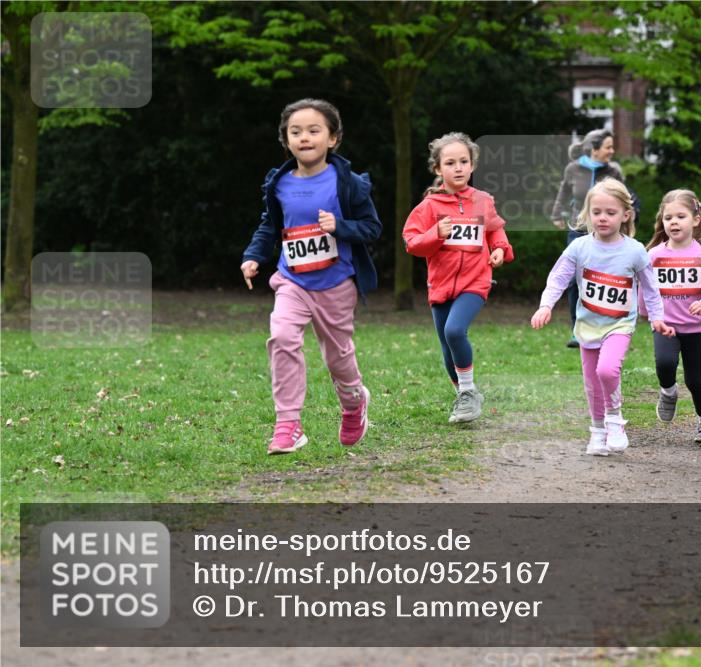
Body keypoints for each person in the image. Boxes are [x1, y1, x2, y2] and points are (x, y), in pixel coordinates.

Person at [241, 98, 381, 455]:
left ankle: (353, 404)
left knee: (337, 358)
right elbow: (269, 226)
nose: (304, 137)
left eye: (314, 130)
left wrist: (341, 227)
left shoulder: (348, 183)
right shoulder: (279, 183)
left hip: (336, 284)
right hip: (293, 281)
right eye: (296, 131)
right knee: (282, 336)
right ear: (286, 140)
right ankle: (288, 425)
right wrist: (254, 257)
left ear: (333, 138)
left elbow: (372, 228)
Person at [532, 178, 673, 456]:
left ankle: (615, 419)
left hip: (619, 325)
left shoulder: (634, 250)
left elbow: (651, 287)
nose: (603, 218)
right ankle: (597, 431)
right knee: (592, 382)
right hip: (587, 325)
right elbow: (558, 278)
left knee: (607, 370)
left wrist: (657, 317)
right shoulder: (579, 247)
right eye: (596, 212)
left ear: (625, 215)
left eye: (610, 213)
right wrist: (545, 305)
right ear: (587, 214)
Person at [403, 132, 514, 424]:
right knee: (445, 346)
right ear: (438, 169)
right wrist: (435, 234)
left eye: (464, 161)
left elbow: (495, 230)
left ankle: (466, 393)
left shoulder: (483, 201)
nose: (458, 168)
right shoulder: (429, 206)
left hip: (475, 281)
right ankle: (466, 396)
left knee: (455, 331)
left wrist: (501, 250)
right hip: (440, 284)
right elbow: (412, 243)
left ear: (472, 165)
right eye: (450, 163)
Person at [642, 189, 701, 445]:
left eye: (680, 216)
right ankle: (668, 391)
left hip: (694, 328)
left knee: (695, 378)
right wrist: (647, 314)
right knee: (665, 364)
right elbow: (645, 287)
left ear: (695, 220)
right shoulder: (654, 256)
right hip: (664, 324)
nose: (673, 222)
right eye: (668, 218)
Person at [551, 129, 625, 348]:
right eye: (608, 147)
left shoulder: (613, 171)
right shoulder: (573, 169)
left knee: (605, 278)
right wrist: (557, 214)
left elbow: (625, 198)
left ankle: (608, 330)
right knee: (575, 280)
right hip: (579, 229)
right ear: (594, 149)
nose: (612, 151)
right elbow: (563, 192)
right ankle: (578, 331)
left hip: (607, 233)